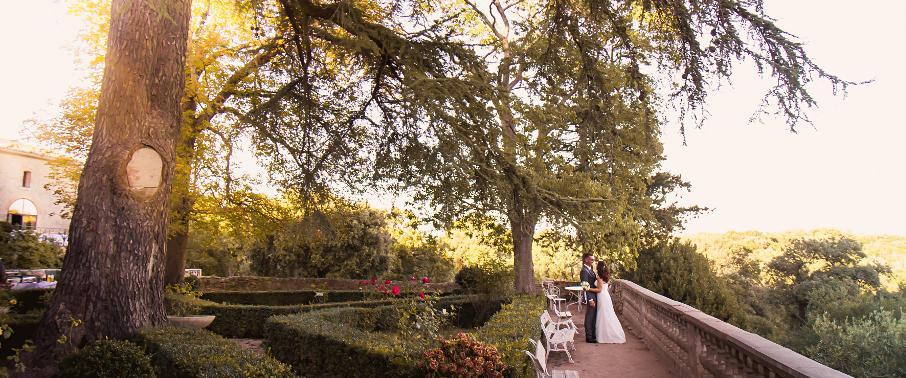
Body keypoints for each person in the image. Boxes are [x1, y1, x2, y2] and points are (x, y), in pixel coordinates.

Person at [586, 261, 626, 344]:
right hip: (605, 296)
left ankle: (605, 336)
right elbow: (605, 288)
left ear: (599, 268)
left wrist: (588, 288)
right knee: (607, 314)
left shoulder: (599, 278)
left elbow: (599, 290)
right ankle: (606, 334)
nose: (596, 266)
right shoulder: (606, 276)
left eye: (597, 265)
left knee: (603, 315)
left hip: (602, 297)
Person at [579, 253, 597, 343]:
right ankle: (589, 337)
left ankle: (593, 335)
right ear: (586, 260)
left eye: (593, 260)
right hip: (591, 296)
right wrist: (590, 299)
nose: (593, 261)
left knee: (593, 316)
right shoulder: (584, 271)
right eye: (591, 259)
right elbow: (585, 286)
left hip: (594, 295)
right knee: (589, 317)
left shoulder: (590, 269)